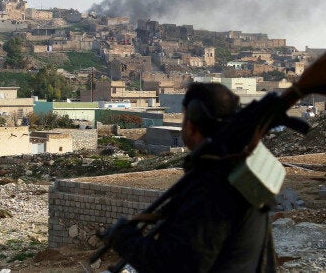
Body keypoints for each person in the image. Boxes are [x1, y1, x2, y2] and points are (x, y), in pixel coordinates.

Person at [104, 82, 277, 272]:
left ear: (192, 125)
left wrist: (124, 238)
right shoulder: (237, 169)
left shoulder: (212, 187)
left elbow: (175, 266)